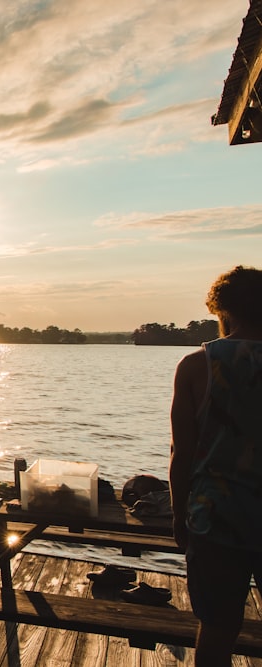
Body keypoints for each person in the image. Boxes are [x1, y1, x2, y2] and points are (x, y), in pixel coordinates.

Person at [169, 265, 262, 665]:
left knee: (218, 629)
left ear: (222, 311)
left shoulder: (196, 366)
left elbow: (182, 453)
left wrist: (178, 514)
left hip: (215, 517)